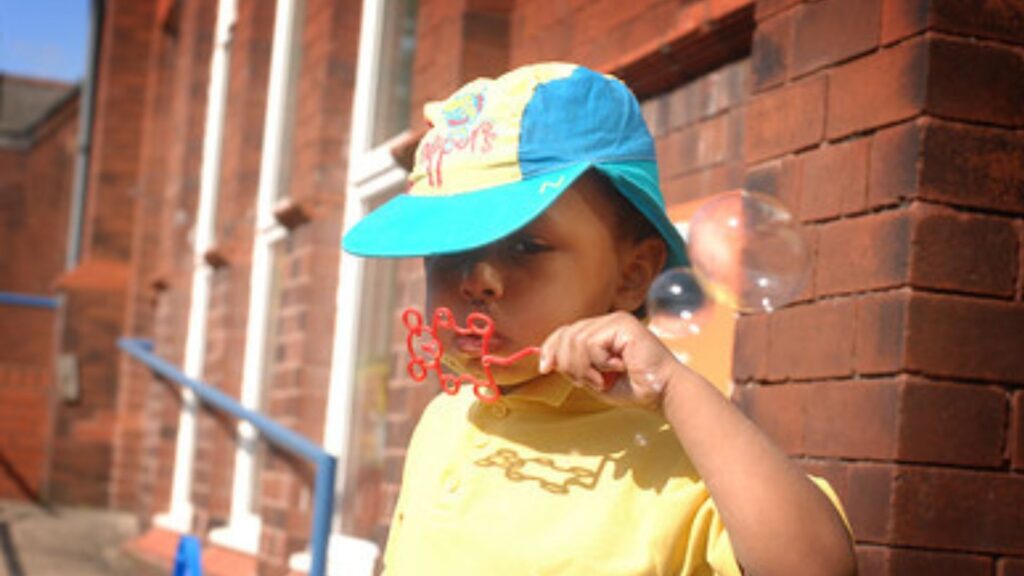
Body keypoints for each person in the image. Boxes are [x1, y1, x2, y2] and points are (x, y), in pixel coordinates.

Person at [343, 62, 856, 576]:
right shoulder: (444, 420)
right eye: (446, 251)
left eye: (526, 245)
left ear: (632, 276)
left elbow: (819, 568)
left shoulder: (682, 457)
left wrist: (674, 389)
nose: (476, 278)